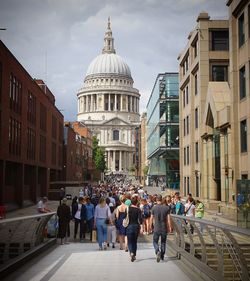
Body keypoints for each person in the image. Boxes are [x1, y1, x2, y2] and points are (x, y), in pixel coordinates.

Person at [151, 194, 170, 262]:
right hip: (164, 227)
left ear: (156, 200)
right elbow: (168, 219)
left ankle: (157, 250)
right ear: (161, 199)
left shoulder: (154, 208)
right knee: (163, 242)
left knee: (155, 241)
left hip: (156, 227)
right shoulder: (166, 208)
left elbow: (151, 218)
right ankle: (162, 256)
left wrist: (150, 226)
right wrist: (169, 227)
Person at [125, 195, 143, 262]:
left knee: (129, 241)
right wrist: (142, 228)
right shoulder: (138, 210)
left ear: (131, 203)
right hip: (136, 226)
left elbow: (124, 217)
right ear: (136, 203)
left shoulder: (127, 209)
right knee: (134, 241)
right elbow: (140, 220)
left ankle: (131, 253)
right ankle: (134, 254)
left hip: (129, 226)